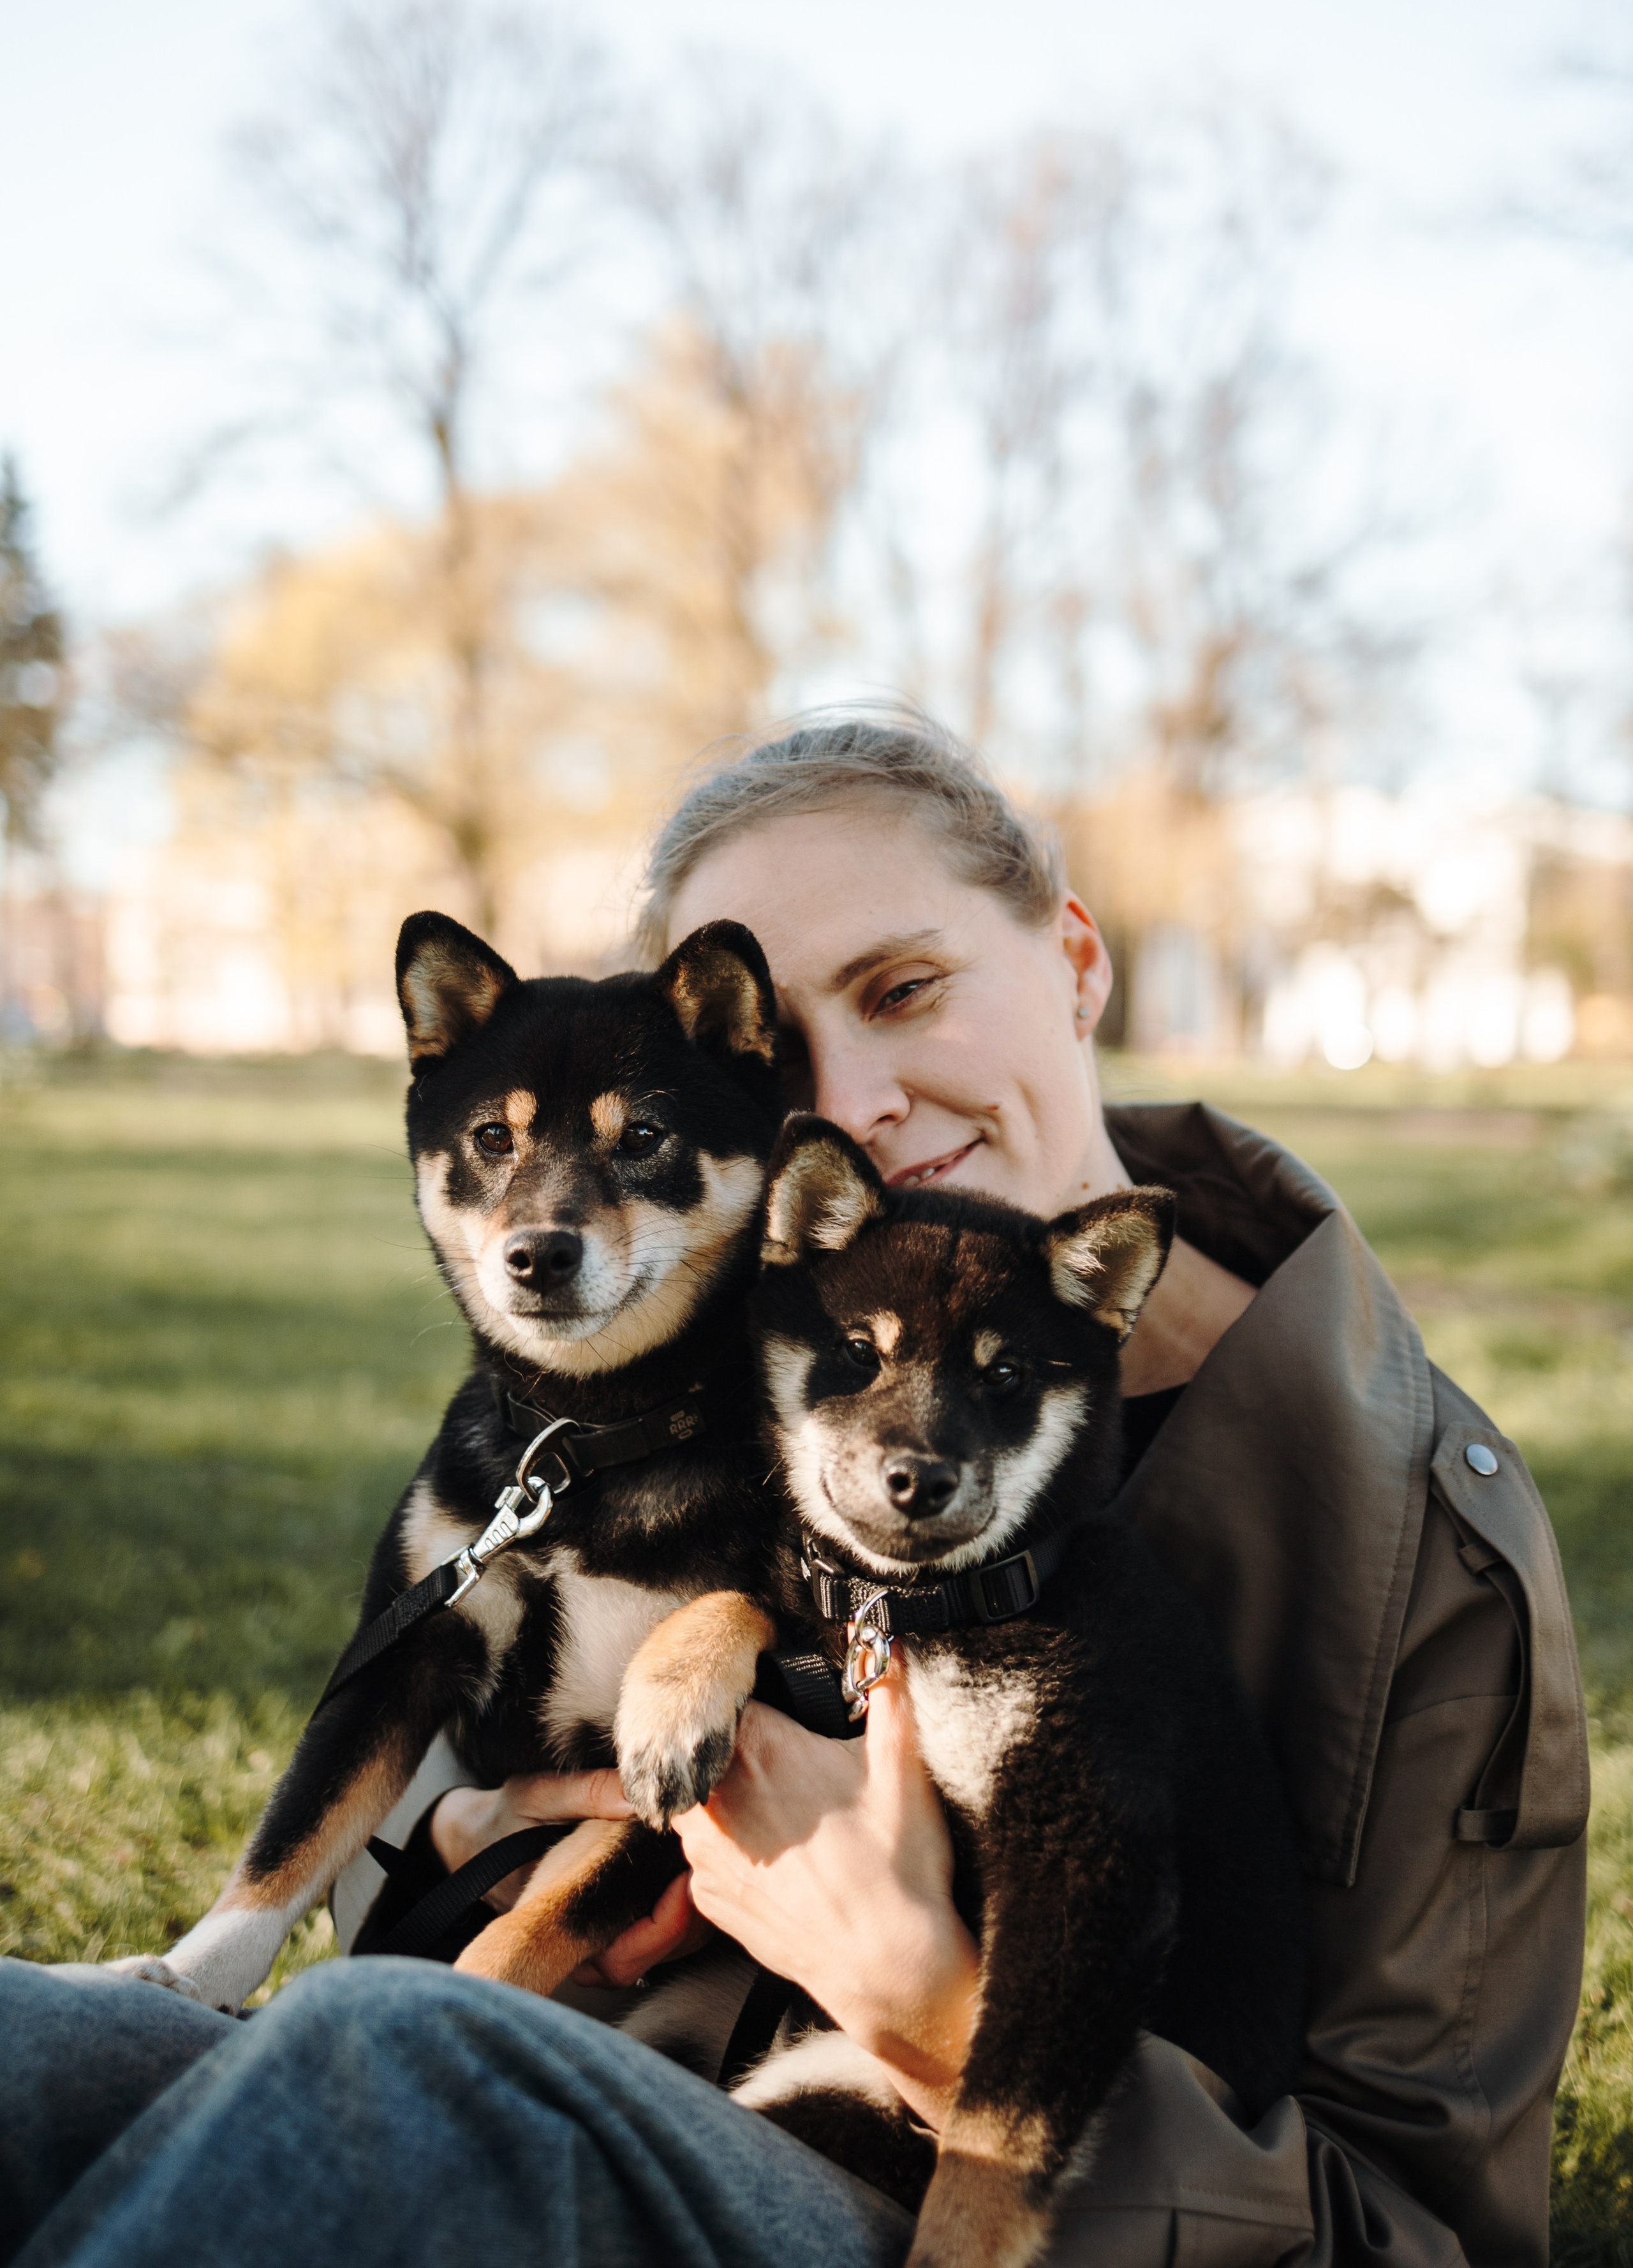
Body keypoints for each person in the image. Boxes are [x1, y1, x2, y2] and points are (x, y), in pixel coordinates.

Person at [1, 713, 1588, 2268]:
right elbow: (458, 1798)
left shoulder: (1411, 1540)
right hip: (551, 2078)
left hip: (878, 2187)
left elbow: (1413, 2228)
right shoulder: (712, 1355)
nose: (863, 1105)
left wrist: (923, 2001)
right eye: (784, 1055)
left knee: (399, 2056)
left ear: (1077, 959)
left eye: (907, 989)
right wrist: (464, 1841)